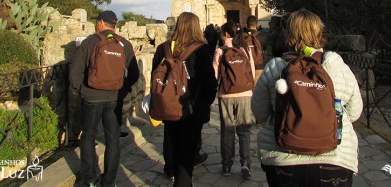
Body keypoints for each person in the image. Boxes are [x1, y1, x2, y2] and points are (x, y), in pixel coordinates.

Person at [251, 9, 363, 187]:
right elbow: (355, 112)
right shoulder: (337, 65)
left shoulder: (275, 67)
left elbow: (260, 113)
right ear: (319, 33)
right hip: (335, 160)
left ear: (288, 33)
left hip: (284, 159)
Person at [69, 10, 139, 187]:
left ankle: (89, 178)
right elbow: (134, 73)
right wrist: (121, 91)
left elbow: (75, 72)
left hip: (92, 97)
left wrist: (82, 91)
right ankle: (109, 181)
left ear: (100, 23)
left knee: (88, 136)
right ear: (115, 26)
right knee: (113, 138)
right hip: (115, 98)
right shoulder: (124, 44)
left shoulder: (90, 41)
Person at [151, 12, 217, 187]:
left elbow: (155, 77)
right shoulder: (201, 50)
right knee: (187, 157)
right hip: (192, 110)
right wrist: (204, 104)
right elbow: (210, 83)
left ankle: (170, 169)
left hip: (169, 107)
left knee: (171, 141)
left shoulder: (163, 48)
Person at [213, 22, 255, 178]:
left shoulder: (220, 51)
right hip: (245, 93)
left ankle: (226, 166)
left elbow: (214, 76)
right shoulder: (245, 50)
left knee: (227, 130)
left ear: (225, 34)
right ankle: (245, 163)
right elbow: (250, 70)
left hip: (226, 94)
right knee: (244, 130)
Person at [243, 15, 264, 84]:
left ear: (246, 24)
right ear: (256, 24)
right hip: (258, 66)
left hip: (245, 66)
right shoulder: (261, 35)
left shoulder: (241, 36)